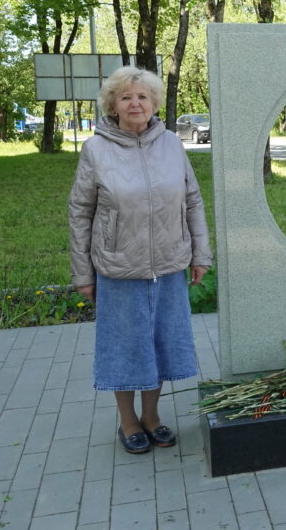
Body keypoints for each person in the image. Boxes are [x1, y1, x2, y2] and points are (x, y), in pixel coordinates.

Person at [68, 66, 212, 454]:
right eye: (127, 97)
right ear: (113, 104)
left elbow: (193, 201)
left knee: (159, 344)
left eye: (143, 96)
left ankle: (152, 416)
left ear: (154, 103)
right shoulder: (96, 149)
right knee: (126, 348)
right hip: (118, 267)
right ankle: (127, 421)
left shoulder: (171, 145)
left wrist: (200, 254)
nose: (136, 103)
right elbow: (80, 213)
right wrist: (83, 274)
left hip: (168, 264)